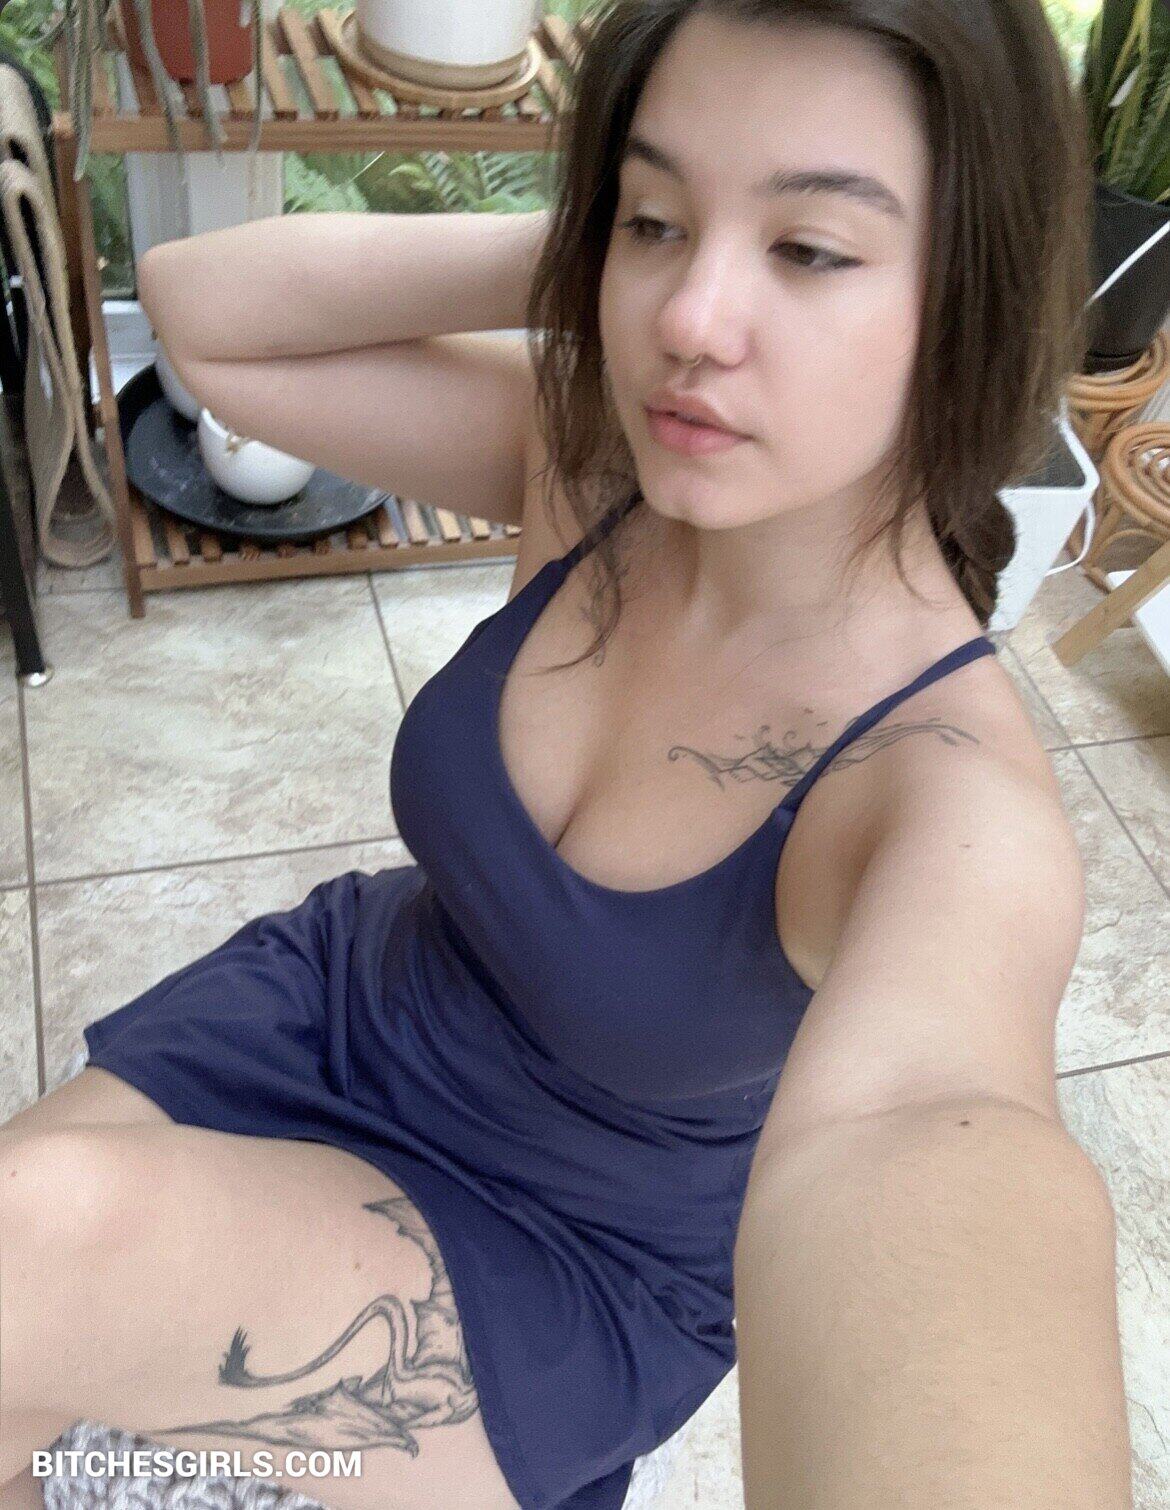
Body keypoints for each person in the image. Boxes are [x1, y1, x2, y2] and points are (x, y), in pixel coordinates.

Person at [0, 2, 1133, 1508]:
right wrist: (607, 241)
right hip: (333, 1013)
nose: (692, 319)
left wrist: (675, 225)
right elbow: (203, 314)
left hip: (551, 1263)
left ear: (969, 293)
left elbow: (932, 1141)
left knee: (32, 1252)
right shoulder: (597, 464)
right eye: (655, 220)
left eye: (809, 248)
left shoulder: (942, 795)